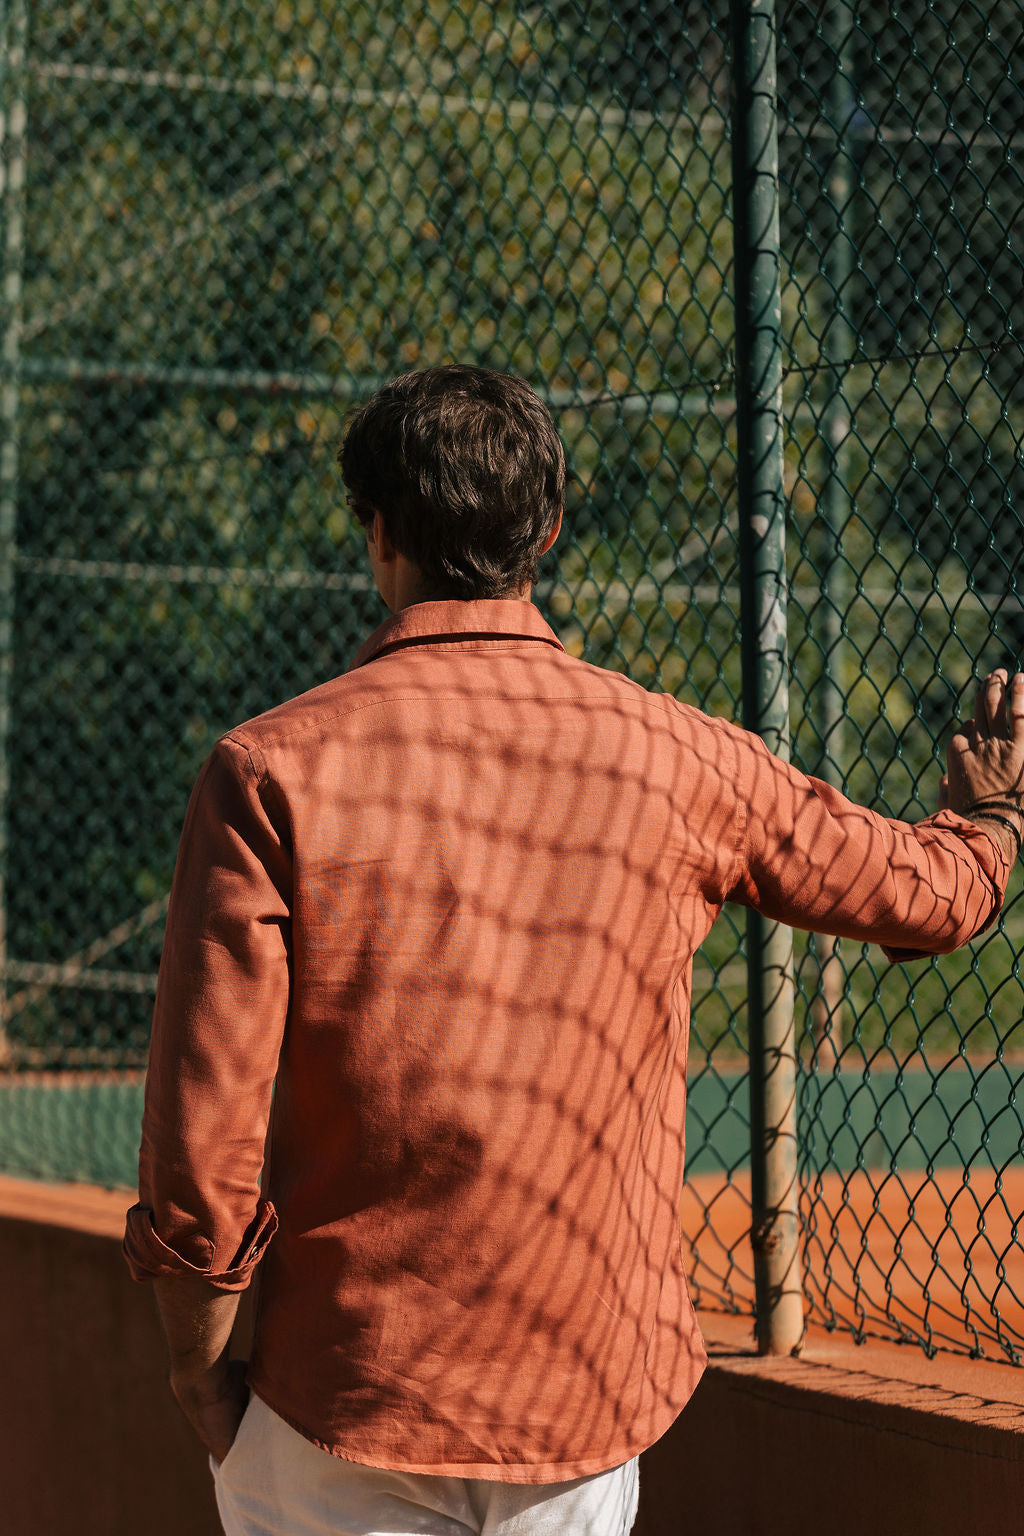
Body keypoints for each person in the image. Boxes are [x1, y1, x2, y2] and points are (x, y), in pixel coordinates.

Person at [124, 364, 1024, 1536]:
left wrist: (199, 1370)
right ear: (545, 533)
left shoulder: (268, 772)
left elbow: (204, 1135)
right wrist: (988, 824)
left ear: (379, 534)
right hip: (582, 1410)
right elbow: (922, 895)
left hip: (340, 1398)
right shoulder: (672, 754)